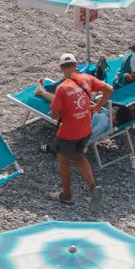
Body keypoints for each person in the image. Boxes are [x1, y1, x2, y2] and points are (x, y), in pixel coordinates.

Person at [48, 51, 112, 201]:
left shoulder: (62, 88)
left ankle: (67, 196)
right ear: (76, 65)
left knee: (63, 162)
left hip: (68, 133)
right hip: (86, 129)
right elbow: (109, 90)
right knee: (78, 156)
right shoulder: (87, 79)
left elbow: (54, 115)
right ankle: (92, 186)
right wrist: (97, 106)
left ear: (61, 68)